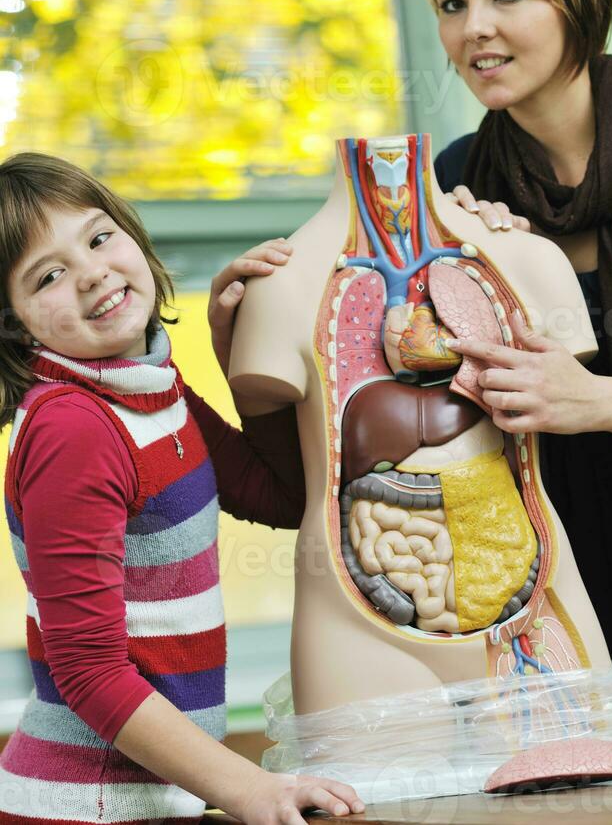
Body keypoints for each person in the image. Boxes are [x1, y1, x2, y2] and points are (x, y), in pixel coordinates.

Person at [0, 152, 364, 824]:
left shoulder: (143, 386)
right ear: (16, 324)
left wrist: (235, 354)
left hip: (150, 799)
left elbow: (280, 497)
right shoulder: (73, 429)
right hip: (82, 807)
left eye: (99, 236)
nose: (92, 273)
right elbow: (88, 672)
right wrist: (248, 788)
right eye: (48, 275)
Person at [418, 0, 612, 704]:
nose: (474, 28)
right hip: (551, 601)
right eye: (451, 3)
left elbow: (596, 401)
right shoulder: (453, 186)